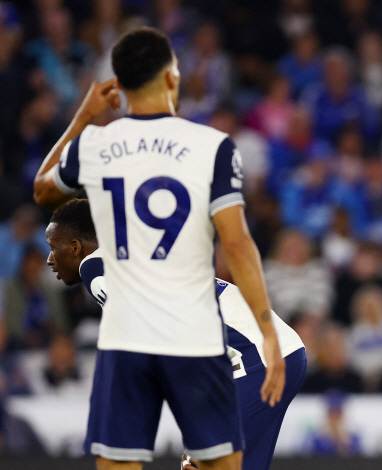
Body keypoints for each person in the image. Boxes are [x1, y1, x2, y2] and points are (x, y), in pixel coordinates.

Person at [33, 27, 285, 470]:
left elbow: (42, 187)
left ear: (120, 85)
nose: (51, 258)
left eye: (56, 248)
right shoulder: (211, 146)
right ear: (172, 78)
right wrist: (267, 327)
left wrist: (86, 114)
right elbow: (238, 244)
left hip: (221, 350)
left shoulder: (97, 148)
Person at [45, 199, 306, 470]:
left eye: (53, 248)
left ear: (75, 247)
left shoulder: (94, 267)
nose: (49, 259)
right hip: (273, 353)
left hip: (254, 360)